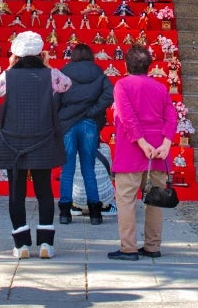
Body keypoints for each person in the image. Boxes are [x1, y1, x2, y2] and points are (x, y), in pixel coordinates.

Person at [0, 30, 70, 258]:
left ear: (15, 55)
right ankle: (46, 243)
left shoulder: (8, 76)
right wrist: (47, 66)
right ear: (41, 53)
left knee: (16, 192)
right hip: (42, 138)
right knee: (44, 190)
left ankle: (21, 244)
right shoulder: (51, 75)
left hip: (13, 140)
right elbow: (66, 85)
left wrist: (9, 67)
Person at [109, 44, 177, 262]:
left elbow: (127, 117)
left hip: (131, 149)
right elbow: (171, 116)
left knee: (126, 199)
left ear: (126, 64)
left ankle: (128, 247)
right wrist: (167, 142)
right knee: (155, 200)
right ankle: (152, 246)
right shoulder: (160, 88)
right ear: (149, 66)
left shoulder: (122, 85)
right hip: (159, 149)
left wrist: (140, 142)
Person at [57, 43, 115, 226]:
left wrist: (60, 117)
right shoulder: (98, 72)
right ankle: (95, 214)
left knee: (67, 169)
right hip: (89, 124)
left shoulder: (64, 72)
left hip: (67, 123)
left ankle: (65, 213)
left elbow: (55, 99)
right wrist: (93, 110)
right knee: (88, 169)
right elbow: (110, 94)